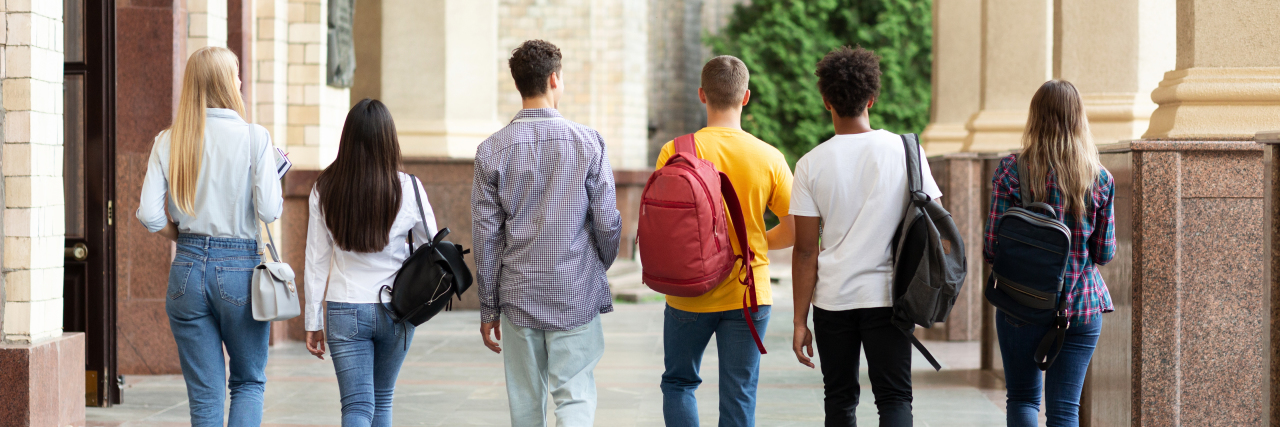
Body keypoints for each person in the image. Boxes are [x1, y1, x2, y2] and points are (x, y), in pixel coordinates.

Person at [472, 39, 622, 427]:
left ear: (518, 83)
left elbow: (486, 238)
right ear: (554, 78)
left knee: (525, 404)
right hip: (574, 289)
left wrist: (488, 306)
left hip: (518, 292)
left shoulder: (491, 151)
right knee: (574, 395)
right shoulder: (589, 143)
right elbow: (607, 221)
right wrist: (595, 265)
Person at [789, 46, 940, 427]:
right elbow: (939, 223)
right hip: (889, 298)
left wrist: (799, 320)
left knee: (839, 399)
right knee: (893, 398)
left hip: (832, 301)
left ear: (826, 101)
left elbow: (806, 251)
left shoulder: (810, 164)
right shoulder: (906, 151)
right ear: (872, 97)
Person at [135, 46, 283, 427]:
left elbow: (150, 215)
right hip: (240, 269)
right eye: (235, 74)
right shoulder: (255, 138)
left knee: (205, 397)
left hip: (186, 268)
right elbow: (269, 211)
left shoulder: (168, 140)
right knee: (248, 382)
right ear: (224, 83)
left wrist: (181, 237)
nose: (239, 81)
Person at [655, 55, 796, 427]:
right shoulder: (770, 157)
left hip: (688, 291)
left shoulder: (675, 151)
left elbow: (663, 226)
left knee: (679, 384)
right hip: (749, 293)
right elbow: (796, 229)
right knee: (739, 391)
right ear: (746, 97)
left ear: (702, 95)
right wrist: (750, 243)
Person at [984, 80, 1115, 427]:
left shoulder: (1012, 170)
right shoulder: (1099, 178)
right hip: (1081, 306)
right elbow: (1103, 252)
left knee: (1024, 398)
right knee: (1064, 411)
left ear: (1034, 117)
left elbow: (991, 246)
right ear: (1079, 119)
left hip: (1021, 304)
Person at [301, 99, 438, 427]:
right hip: (397, 307)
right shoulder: (408, 187)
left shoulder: (324, 188)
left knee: (357, 407)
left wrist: (312, 321)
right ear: (388, 139)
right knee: (383, 399)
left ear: (347, 139)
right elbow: (431, 244)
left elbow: (317, 261)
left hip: (344, 307)